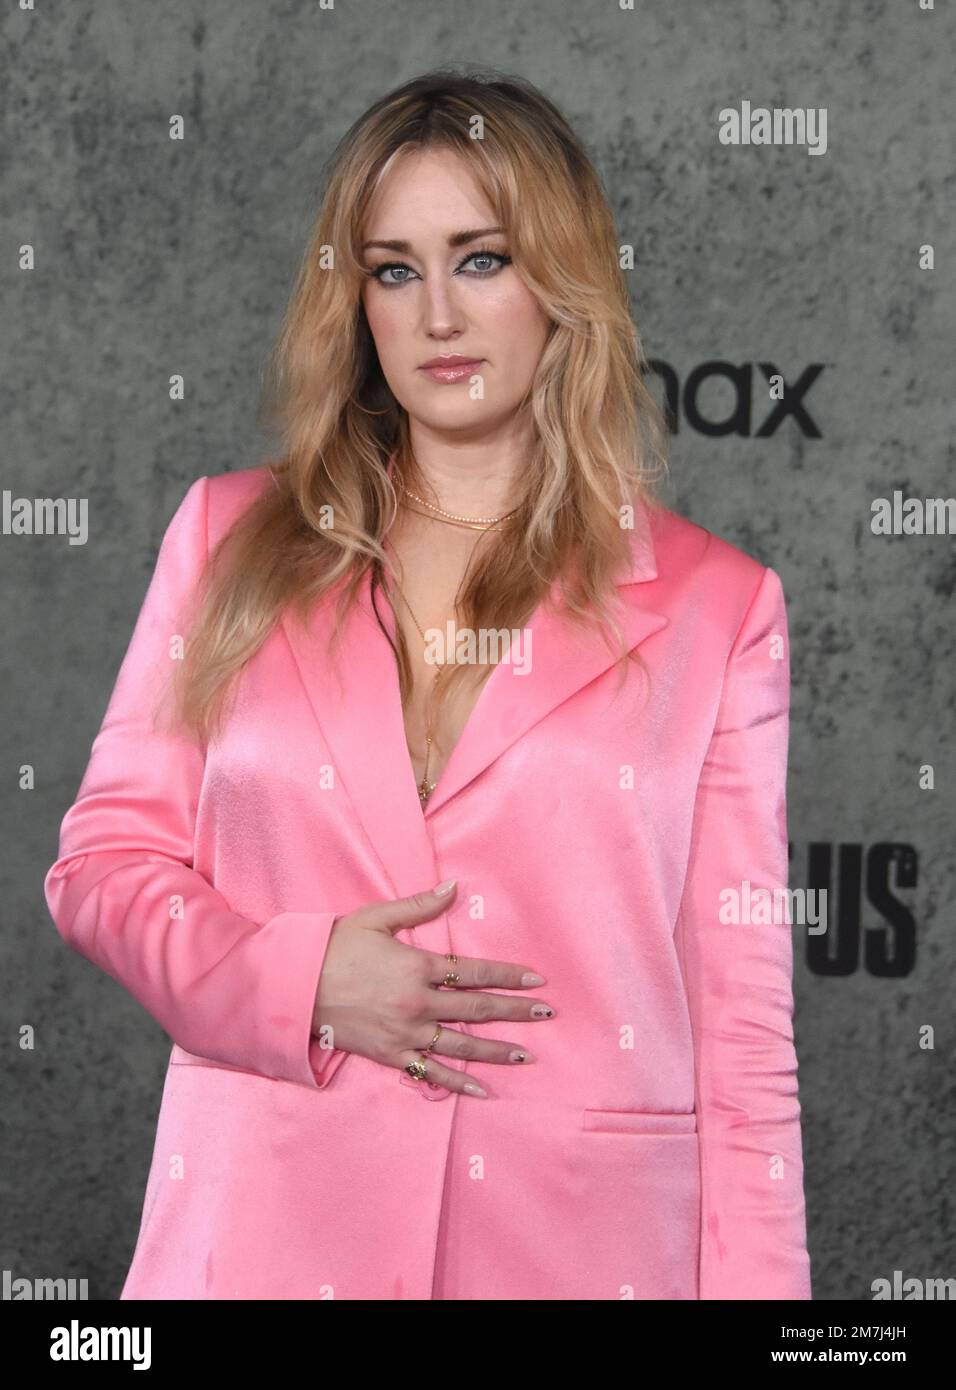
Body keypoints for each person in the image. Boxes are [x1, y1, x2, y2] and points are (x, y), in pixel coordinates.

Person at [44, 68, 812, 1300]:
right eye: (394, 269)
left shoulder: (717, 607)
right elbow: (102, 868)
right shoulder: (224, 539)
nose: (438, 313)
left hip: (577, 1254)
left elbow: (740, 1041)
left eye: (483, 258)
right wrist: (299, 982)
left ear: (562, 280)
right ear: (355, 302)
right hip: (261, 1243)